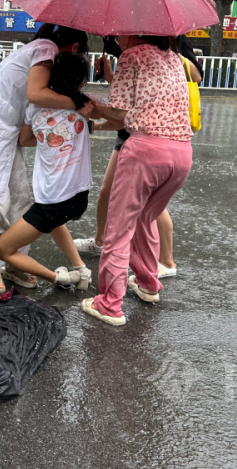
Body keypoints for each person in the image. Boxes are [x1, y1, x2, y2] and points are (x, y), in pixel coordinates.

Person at [0, 24, 93, 294]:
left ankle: (16, 262)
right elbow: (35, 94)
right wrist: (78, 102)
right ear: (75, 48)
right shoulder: (45, 49)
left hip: (8, 129)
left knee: (20, 197)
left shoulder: (41, 49)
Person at [82, 32, 194, 326]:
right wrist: (100, 116)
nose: (116, 34)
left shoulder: (132, 56)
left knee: (119, 228)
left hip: (145, 153)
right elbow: (131, 115)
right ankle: (147, 282)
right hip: (181, 155)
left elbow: (120, 114)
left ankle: (109, 304)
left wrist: (92, 108)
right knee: (145, 217)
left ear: (134, 30)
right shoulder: (172, 57)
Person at [0, 52, 94, 289]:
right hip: (79, 197)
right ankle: (81, 268)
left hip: (51, 202)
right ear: (80, 82)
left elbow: (24, 140)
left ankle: (60, 278)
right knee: (57, 221)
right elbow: (108, 120)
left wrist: (48, 136)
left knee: (2, 249)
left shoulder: (35, 109)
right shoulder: (86, 106)